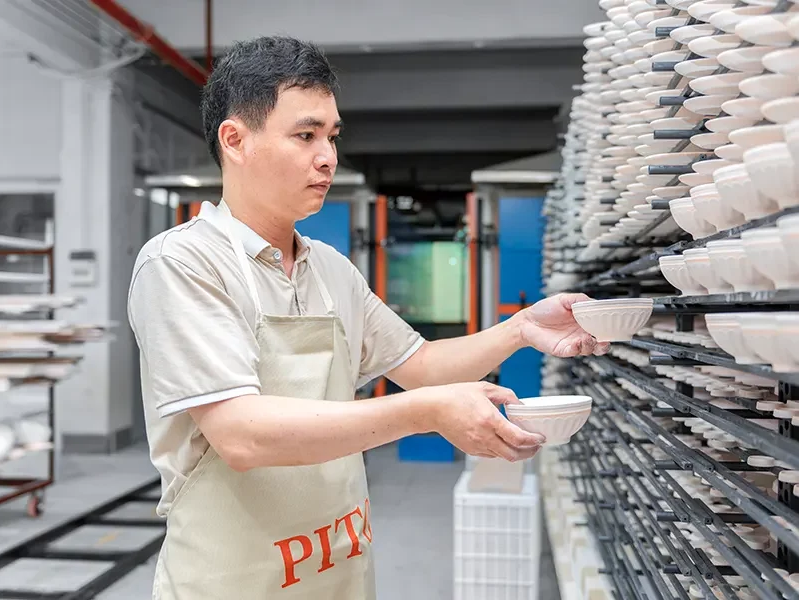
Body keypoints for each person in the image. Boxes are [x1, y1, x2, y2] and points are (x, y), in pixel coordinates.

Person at [127, 35, 609, 600]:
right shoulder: (182, 263)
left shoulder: (329, 268)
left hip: (338, 570)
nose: (328, 156)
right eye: (305, 136)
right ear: (236, 140)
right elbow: (241, 434)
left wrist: (521, 327)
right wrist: (426, 413)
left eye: (331, 136)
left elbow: (421, 363)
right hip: (235, 582)